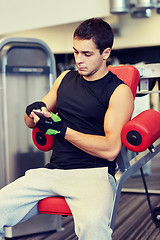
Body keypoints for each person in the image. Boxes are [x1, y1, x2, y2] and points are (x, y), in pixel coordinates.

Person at [0, 18, 134, 240]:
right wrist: (32, 111)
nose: (79, 60)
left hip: (92, 175)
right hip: (53, 172)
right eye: (76, 52)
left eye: (87, 54)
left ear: (106, 53)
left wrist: (62, 130)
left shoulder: (118, 92)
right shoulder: (64, 79)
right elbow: (30, 121)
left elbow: (111, 149)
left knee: (93, 228)